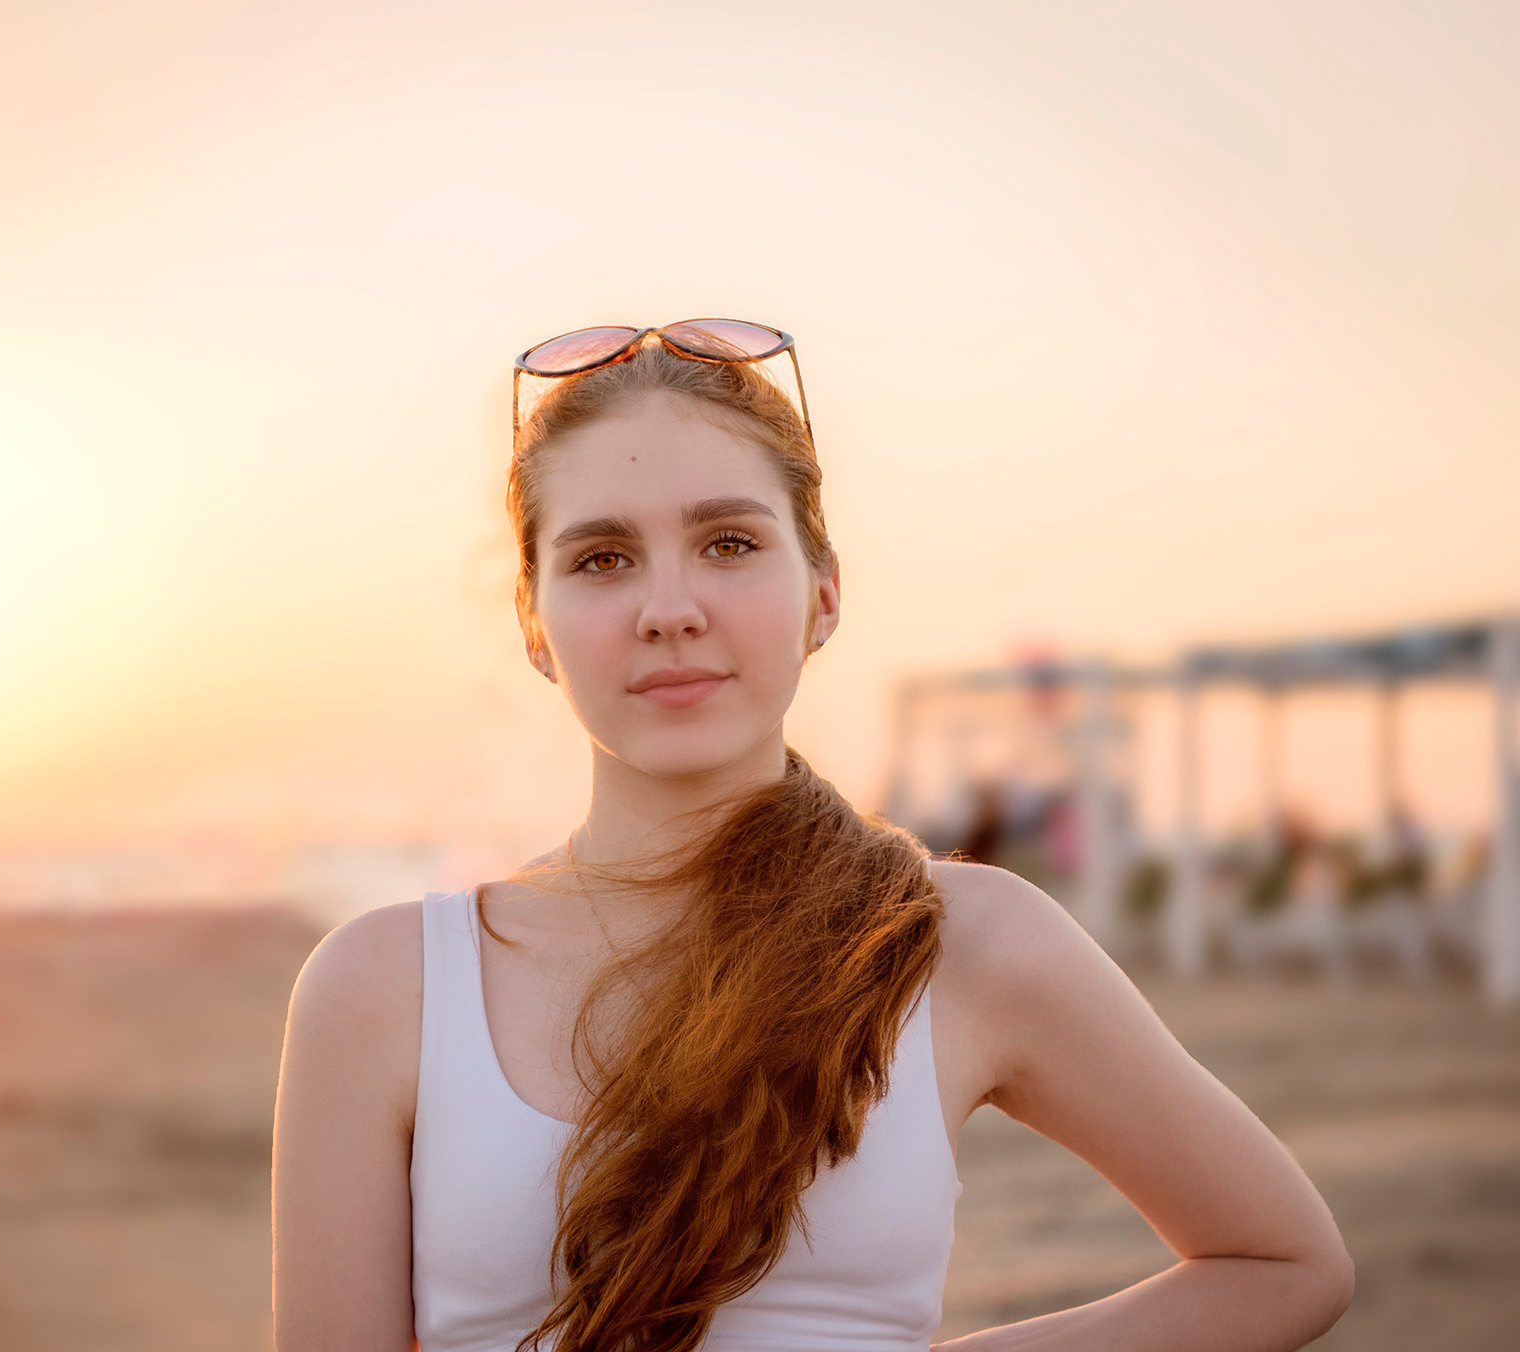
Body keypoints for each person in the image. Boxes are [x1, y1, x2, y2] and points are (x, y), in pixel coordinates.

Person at [271, 320, 1353, 1351]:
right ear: (532, 625)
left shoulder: (956, 939)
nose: (669, 608)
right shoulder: (384, 986)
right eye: (601, 559)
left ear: (822, 596)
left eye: (729, 543)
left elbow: (1280, 1261)